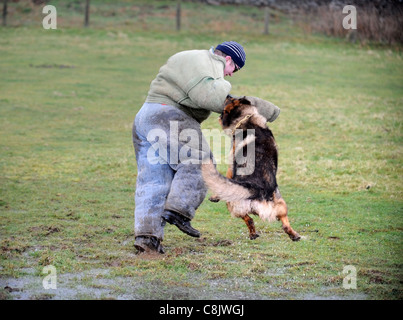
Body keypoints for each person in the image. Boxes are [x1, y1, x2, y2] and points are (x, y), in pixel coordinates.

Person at [132, 41, 281, 253]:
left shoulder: (191, 58)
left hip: (146, 117)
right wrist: (254, 108)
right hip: (168, 116)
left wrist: (257, 107)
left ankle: (147, 238)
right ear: (227, 59)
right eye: (234, 69)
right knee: (201, 162)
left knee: (155, 180)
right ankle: (179, 211)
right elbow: (212, 98)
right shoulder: (209, 64)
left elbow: (212, 96)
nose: (230, 74)